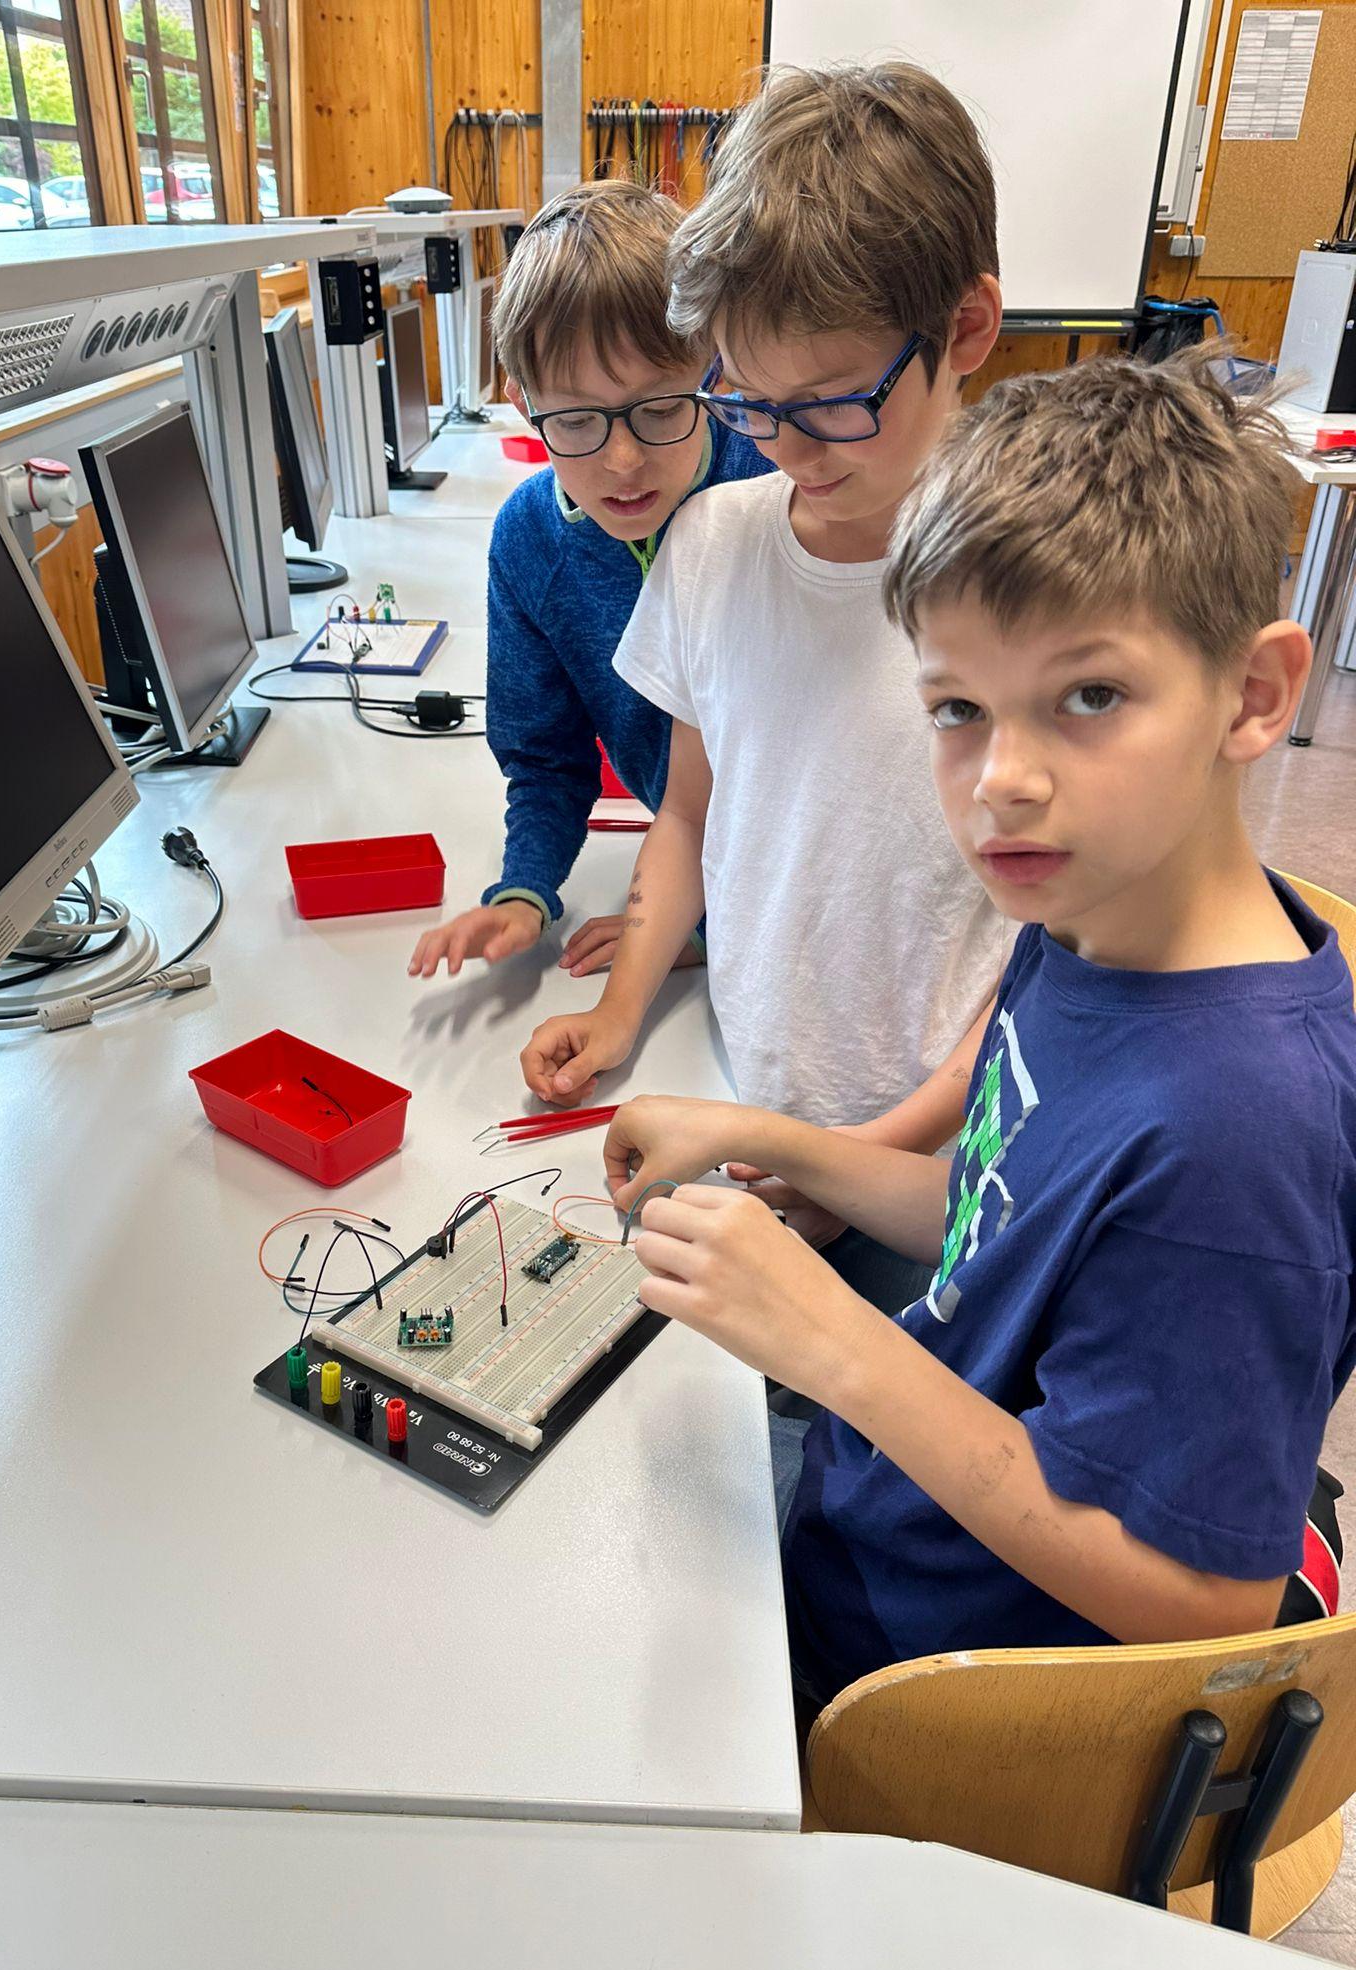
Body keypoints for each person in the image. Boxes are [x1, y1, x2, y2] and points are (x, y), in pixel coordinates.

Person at [601, 347, 1356, 1705]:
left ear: (1253, 694)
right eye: (957, 709)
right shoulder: (1086, 918)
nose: (1002, 781)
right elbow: (1000, 1209)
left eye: (1089, 696)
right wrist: (780, 1140)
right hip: (878, 1515)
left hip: (921, 1672)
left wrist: (833, 1343)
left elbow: (1208, 1598)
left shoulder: (1237, 1132)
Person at [517, 65, 1015, 1310]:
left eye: (831, 402)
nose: (782, 444)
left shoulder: (1032, 591)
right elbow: (688, 813)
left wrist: (857, 1157)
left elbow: (1057, 954)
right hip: (752, 1100)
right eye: (746, 398)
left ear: (964, 329)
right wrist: (624, 1010)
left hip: (937, 1160)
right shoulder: (713, 544)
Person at [408, 180, 767, 984]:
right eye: (574, 421)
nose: (623, 460)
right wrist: (526, 890)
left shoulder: (775, 488)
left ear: (713, 374)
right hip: (694, 884)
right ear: (521, 403)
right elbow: (546, 758)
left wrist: (706, 926)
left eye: (660, 409)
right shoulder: (529, 541)